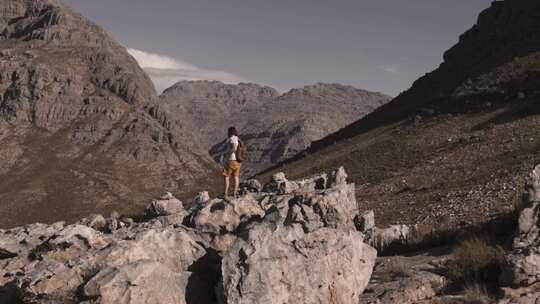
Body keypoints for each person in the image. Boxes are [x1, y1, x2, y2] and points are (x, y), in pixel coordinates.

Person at [222, 126, 242, 198]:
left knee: (226, 176)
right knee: (236, 177)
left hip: (231, 160)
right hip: (238, 161)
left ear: (230, 132)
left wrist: (226, 153)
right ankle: (235, 193)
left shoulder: (231, 139)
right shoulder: (238, 139)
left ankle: (225, 194)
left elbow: (234, 148)